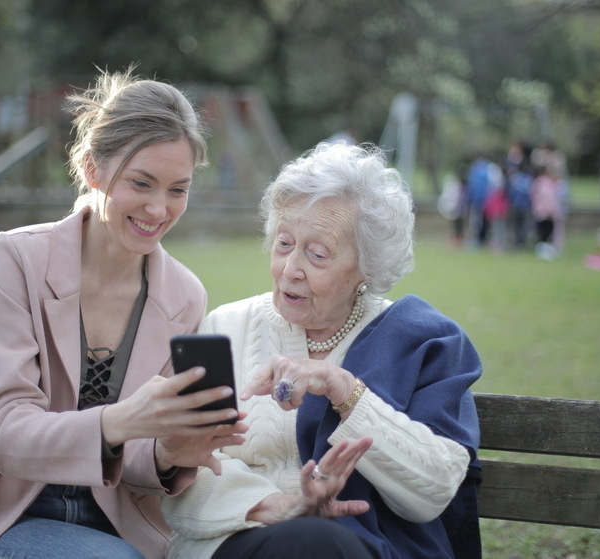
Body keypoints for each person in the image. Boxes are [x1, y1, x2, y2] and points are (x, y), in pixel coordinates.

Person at [0, 68, 248, 559]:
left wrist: (167, 452)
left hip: (127, 530)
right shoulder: (14, 260)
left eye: (178, 189)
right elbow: (5, 434)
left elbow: (140, 456)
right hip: (17, 518)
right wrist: (118, 421)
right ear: (91, 168)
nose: (159, 209)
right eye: (141, 183)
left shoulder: (184, 294)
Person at [161, 142, 483, 559]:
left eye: (317, 254)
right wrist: (276, 506)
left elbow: (435, 490)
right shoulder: (225, 328)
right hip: (234, 542)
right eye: (283, 243)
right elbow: (180, 465)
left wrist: (345, 391)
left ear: (367, 267)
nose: (290, 268)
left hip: (365, 548)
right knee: (314, 543)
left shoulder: (423, 342)